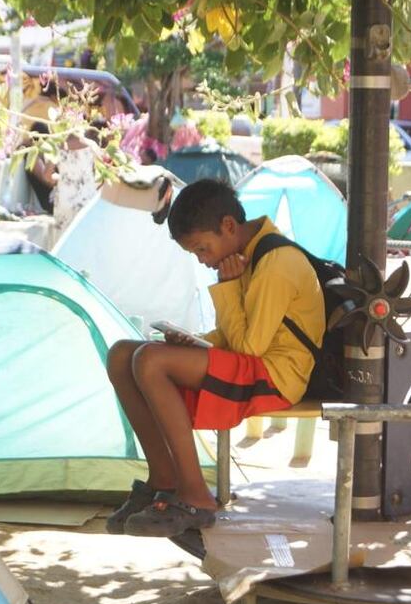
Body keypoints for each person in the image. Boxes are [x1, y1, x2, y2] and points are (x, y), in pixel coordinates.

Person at [104, 180, 325, 537]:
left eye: (202, 249)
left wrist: (228, 288)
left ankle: (196, 495)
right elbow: (232, 339)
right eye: (196, 255)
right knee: (122, 355)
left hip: (278, 377)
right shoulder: (247, 256)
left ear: (228, 227)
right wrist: (193, 342)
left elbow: (249, 348)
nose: (204, 261)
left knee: (149, 361)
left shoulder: (277, 262)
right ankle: (162, 478)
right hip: (254, 364)